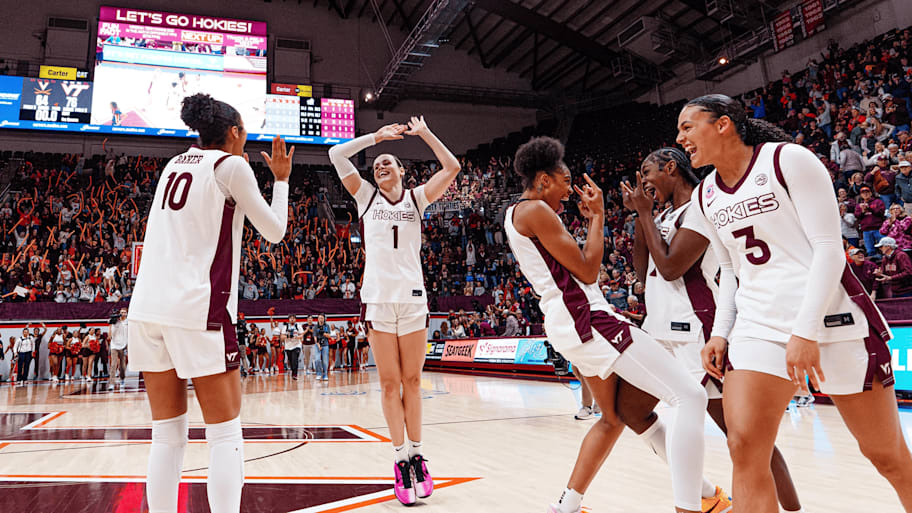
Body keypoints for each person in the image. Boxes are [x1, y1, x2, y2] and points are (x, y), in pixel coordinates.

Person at [677, 93, 912, 512]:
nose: (680, 139)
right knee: (744, 445)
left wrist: (804, 331)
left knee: (886, 456)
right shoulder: (705, 195)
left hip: (828, 320)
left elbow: (830, 250)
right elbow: (729, 268)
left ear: (723, 124)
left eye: (687, 127)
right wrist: (720, 332)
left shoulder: (788, 160)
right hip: (757, 325)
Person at [503, 136, 708, 513]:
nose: (570, 193)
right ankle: (695, 503)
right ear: (544, 180)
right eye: (566, 183)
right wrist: (597, 217)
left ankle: (568, 504)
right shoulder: (535, 210)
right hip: (588, 320)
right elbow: (587, 270)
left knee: (614, 418)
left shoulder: (516, 213)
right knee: (690, 396)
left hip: (570, 324)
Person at [127, 93, 292, 513]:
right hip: (198, 310)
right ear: (234, 132)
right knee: (224, 434)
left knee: (167, 435)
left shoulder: (174, 164)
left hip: (147, 309)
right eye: (245, 130)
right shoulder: (231, 166)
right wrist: (281, 180)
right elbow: (275, 231)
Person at [621, 147, 802, 513]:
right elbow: (644, 271)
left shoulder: (700, 209)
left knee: (744, 436)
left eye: (647, 171)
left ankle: (792, 509)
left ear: (671, 168)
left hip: (696, 328)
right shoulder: (664, 215)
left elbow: (671, 268)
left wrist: (645, 213)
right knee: (631, 410)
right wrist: (644, 217)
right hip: (659, 329)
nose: (643, 181)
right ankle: (705, 492)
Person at [328, 116, 460, 506]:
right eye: (376, 164)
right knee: (389, 385)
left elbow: (452, 167)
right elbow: (336, 154)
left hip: (414, 300)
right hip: (378, 300)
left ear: (403, 170)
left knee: (413, 382)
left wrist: (425, 133)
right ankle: (400, 459)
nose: (381, 166)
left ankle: (418, 456)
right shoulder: (365, 197)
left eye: (388, 162)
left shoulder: (417, 198)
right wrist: (375, 137)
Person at [109, 308, 128, 389]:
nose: (123, 313)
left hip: (123, 345)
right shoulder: (114, 321)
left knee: (122, 365)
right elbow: (110, 333)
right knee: (113, 364)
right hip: (114, 345)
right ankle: (111, 383)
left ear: (127, 313)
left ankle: (122, 379)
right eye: (121, 312)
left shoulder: (128, 322)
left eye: (124, 312)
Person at [283, 314, 302, 380]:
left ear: (295, 319)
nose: (292, 319)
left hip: (296, 345)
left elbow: (301, 335)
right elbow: (282, 336)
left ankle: (295, 374)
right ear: (289, 320)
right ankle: (293, 371)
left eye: (293, 318)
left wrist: (297, 337)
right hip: (288, 346)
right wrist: (288, 336)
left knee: (295, 360)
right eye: (291, 318)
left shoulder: (298, 326)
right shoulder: (285, 327)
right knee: (290, 360)